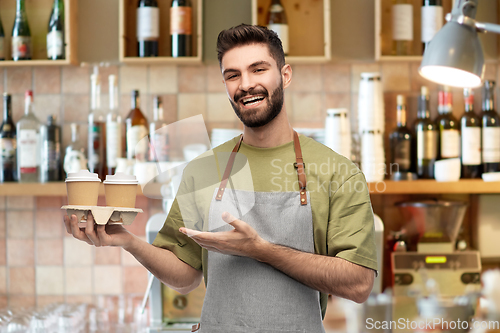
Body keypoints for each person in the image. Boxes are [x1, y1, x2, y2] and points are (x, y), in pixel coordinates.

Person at [64, 24, 377, 332]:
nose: (245, 84)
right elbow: (185, 276)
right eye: (233, 75)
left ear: (285, 75)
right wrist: (128, 241)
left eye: (258, 70)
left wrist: (260, 250)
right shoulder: (203, 171)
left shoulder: (338, 172)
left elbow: (359, 283)